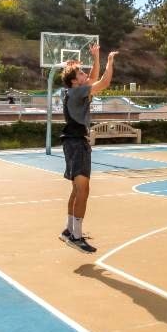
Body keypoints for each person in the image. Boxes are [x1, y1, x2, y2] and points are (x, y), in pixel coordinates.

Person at [59, 43, 117, 253]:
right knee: (83, 190)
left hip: (71, 141)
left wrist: (95, 58)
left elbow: (92, 79)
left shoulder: (68, 91)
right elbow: (104, 81)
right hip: (77, 143)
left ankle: (69, 229)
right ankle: (76, 236)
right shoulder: (76, 93)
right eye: (80, 73)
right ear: (75, 81)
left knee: (76, 189)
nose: (85, 75)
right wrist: (109, 61)